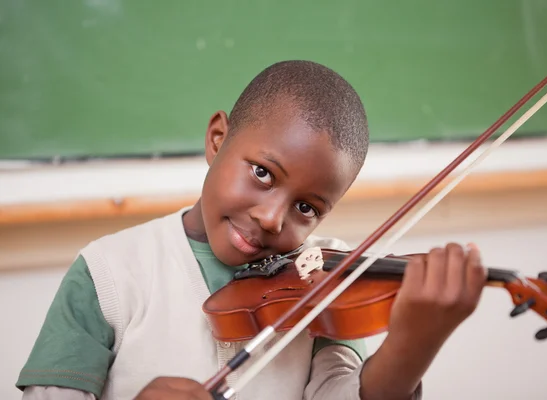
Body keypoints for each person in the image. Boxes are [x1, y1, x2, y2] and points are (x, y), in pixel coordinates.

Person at [16, 60, 487, 400]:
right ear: (217, 139)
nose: (271, 218)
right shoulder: (108, 275)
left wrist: (413, 343)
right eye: (263, 173)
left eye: (306, 207)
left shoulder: (323, 286)